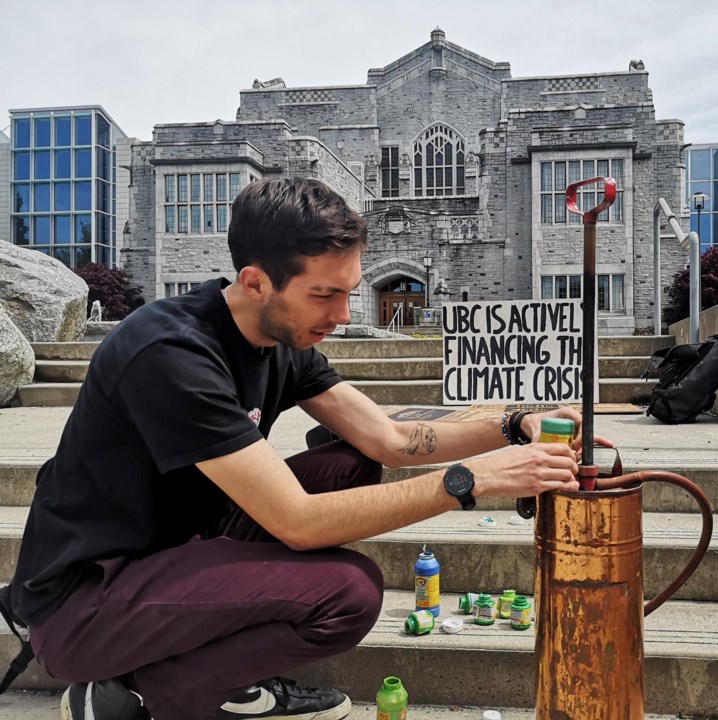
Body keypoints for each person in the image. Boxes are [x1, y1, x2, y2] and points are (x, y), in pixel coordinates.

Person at [7, 177, 586, 720]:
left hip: (177, 549)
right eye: (324, 295)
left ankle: (206, 661)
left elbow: (390, 437)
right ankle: (128, 697)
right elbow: (299, 523)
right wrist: (470, 480)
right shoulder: (171, 353)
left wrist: (514, 422)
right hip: (86, 601)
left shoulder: (281, 334)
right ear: (255, 281)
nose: (340, 316)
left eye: (350, 294)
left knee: (350, 461)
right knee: (350, 592)